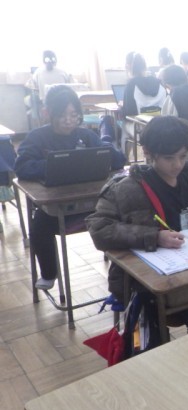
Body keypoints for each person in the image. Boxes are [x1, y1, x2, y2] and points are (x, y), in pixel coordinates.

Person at [85, 116, 188, 352]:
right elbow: (99, 228)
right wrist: (154, 236)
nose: (177, 165)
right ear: (148, 152)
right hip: (155, 284)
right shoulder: (126, 189)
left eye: (183, 156)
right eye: (169, 158)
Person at [14, 85, 126, 291]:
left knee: (122, 213)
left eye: (74, 115)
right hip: (56, 208)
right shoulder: (37, 137)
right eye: (62, 115)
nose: (68, 120)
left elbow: (118, 161)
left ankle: (123, 273)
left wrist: (106, 148)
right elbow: (22, 167)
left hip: (93, 206)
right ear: (49, 113)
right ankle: (49, 273)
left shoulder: (85, 135)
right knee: (39, 226)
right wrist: (53, 165)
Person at [122, 52, 167, 154]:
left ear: (130, 68)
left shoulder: (131, 85)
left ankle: (124, 158)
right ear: (145, 67)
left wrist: (122, 108)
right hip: (160, 126)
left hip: (141, 128)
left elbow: (129, 112)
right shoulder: (159, 83)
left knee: (124, 125)